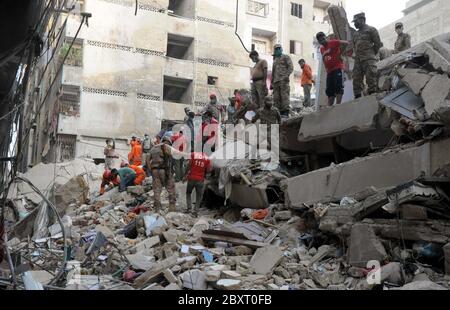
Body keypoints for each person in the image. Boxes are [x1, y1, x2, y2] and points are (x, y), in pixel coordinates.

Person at [351, 13, 383, 98]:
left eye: (356, 21)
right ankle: (357, 101)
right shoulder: (355, 34)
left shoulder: (371, 30)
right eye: (354, 22)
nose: (354, 24)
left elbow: (377, 44)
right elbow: (354, 47)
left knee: (371, 81)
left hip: (369, 59)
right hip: (358, 61)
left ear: (362, 20)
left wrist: (370, 55)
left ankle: (373, 101)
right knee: (356, 81)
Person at [316, 32, 349, 106]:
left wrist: (340, 53)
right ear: (319, 42)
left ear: (326, 37)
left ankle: (338, 104)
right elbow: (324, 59)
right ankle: (330, 107)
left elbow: (346, 43)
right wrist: (326, 67)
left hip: (337, 68)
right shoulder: (322, 49)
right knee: (329, 90)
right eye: (321, 40)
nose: (323, 41)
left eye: (323, 39)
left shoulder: (333, 42)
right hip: (329, 71)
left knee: (338, 86)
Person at [146, 136, 176, 212]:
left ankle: (157, 209)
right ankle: (172, 208)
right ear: (168, 142)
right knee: (171, 189)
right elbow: (173, 159)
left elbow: (147, 160)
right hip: (164, 170)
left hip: (154, 171)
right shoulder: (168, 147)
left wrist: (151, 170)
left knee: (157, 190)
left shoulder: (153, 148)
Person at [184, 152, 212, 217]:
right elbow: (208, 170)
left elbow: (188, 165)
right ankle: (196, 211)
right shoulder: (207, 158)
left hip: (191, 178)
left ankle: (189, 208)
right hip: (200, 179)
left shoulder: (193, 155)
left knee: (188, 193)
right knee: (199, 196)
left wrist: (185, 174)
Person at [271, 44, 293, 117]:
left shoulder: (286, 57)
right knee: (276, 98)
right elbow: (273, 72)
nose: (277, 50)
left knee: (284, 97)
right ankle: (278, 113)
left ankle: (285, 112)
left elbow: (291, 67)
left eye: (279, 48)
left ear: (281, 49)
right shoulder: (275, 60)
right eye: (276, 49)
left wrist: (286, 76)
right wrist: (271, 82)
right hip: (276, 82)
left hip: (283, 80)